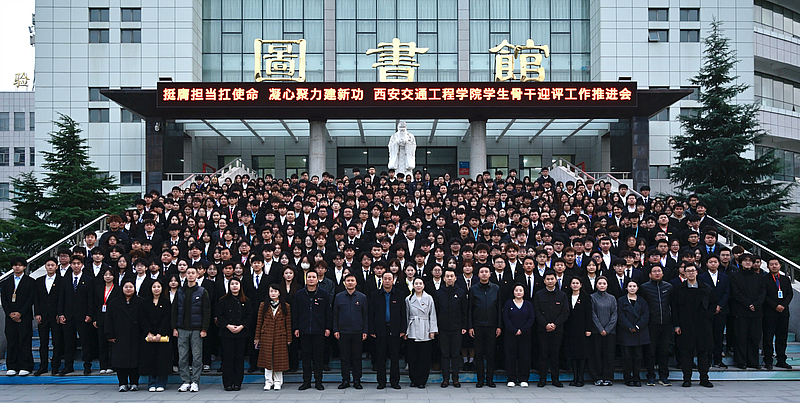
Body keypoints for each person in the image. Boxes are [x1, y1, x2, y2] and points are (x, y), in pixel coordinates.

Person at [671, 264, 716, 388]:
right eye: (688, 271)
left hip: (703, 325)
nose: (691, 273)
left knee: (703, 353)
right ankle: (687, 379)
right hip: (685, 326)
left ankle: (704, 378)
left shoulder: (706, 288)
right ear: (684, 273)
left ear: (697, 272)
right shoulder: (679, 289)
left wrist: (708, 316)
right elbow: (675, 309)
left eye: (693, 271)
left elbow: (713, 304)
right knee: (686, 353)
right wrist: (676, 325)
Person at [172, 266, 211, 393]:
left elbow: (206, 311)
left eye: (193, 273)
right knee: (182, 357)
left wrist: (204, 328)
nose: (190, 275)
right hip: (182, 328)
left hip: (196, 329)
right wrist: (174, 327)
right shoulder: (180, 291)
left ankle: (195, 381)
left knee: (197, 356)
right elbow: (174, 310)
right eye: (188, 273)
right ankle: (185, 381)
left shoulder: (202, 291)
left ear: (197, 275)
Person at [293, 270, 333, 390]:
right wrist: (296, 327)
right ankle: (306, 381)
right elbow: (295, 312)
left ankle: (318, 381)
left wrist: (327, 327)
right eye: (309, 277)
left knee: (318, 358)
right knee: (306, 358)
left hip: (319, 330)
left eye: (313, 277)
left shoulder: (324, 294)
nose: (311, 279)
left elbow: (328, 312)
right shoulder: (299, 294)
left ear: (317, 279)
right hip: (304, 330)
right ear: (306, 279)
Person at [57, 255, 96, 375]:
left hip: (83, 316)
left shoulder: (89, 280)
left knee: (85, 342)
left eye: (78, 263)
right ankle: (68, 366)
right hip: (68, 316)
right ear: (70, 265)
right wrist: (61, 313)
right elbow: (61, 298)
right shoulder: (65, 280)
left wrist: (90, 314)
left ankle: (87, 366)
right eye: (73, 263)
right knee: (69, 342)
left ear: (82, 265)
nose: (76, 266)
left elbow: (91, 299)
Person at [369, 271, 407, 390]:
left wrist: (403, 329)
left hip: (395, 329)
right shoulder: (375, 294)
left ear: (393, 280)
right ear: (382, 280)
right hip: (380, 329)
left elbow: (403, 313)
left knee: (395, 357)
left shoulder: (399, 294)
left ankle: (395, 381)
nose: (387, 281)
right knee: (380, 357)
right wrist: (372, 329)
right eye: (385, 278)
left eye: (389, 279)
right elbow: (371, 313)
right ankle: (381, 382)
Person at [638, 265, 673, 386]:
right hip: (651, 324)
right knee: (650, 352)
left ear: (663, 273)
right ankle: (650, 376)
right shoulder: (644, 288)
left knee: (664, 351)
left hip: (666, 324)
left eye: (659, 271)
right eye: (654, 271)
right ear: (650, 274)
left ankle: (663, 376)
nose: (657, 273)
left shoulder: (668, 287)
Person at [729, 254, 766, 369]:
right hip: (740, 312)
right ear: (740, 262)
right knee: (741, 337)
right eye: (745, 260)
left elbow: (763, 292)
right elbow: (736, 293)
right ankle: (741, 361)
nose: (748, 262)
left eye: (750, 261)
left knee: (754, 337)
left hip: (756, 312)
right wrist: (748, 304)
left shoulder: (759, 277)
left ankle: (753, 362)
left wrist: (756, 304)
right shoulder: (735, 276)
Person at [534, 270, 569, 387]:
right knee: (543, 355)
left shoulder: (562, 295)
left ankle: (555, 379)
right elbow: (537, 311)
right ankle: (542, 378)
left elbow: (565, 312)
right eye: (547, 279)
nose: (550, 281)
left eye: (552, 279)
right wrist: (545, 324)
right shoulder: (539, 294)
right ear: (544, 281)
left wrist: (555, 324)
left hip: (557, 330)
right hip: (542, 330)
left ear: (555, 280)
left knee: (555, 355)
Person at [105, 279, 142, 391]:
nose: (128, 289)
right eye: (126, 287)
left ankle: (134, 382)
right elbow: (108, 319)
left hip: (136, 335)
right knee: (120, 361)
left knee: (135, 361)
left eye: (131, 287)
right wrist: (109, 334)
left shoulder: (140, 302)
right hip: (119, 336)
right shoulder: (114, 302)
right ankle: (122, 383)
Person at [333, 274, 368, 389]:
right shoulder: (339, 297)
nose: (350, 282)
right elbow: (335, 315)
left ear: (356, 282)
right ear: (344, 283)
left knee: (357, 357)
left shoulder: (362, 297)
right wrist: (336, 329)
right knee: (345, 357)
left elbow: (365, 315)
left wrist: (365, 330)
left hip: (358, 331)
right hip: (343, 332)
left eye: (352, 280)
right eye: (348, 280)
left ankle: (357, 380)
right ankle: (345, 380)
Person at [468, 266, 502, 388]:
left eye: (486, 272)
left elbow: (499, 308)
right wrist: (470, 326)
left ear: (490, 274)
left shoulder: (496, 288)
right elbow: (470, 309)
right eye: (481, 272)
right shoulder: (473, 289)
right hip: (478, 326)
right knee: (479, 354)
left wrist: (499, 326)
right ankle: (480, 379)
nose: (484, 274)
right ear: (478, 274)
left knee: (491, 354)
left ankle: (490, 379)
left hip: (492, 326)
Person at [216, 277, 252, 391]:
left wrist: (242, 326)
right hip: (227, 333)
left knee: (239, 358)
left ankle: (237, 383)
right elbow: (219, 315)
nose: (234, 286)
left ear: (240, 286)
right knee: (228, 358)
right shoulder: (223, 300)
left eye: (237, 284)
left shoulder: (246, 301)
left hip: (241, 333)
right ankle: (227, 383)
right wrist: (228, 326)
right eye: (232, 284)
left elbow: (249, 315)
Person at [2, 256, 36, 376]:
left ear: (24, 267)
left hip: (24, 316)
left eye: (20, 265)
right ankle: (12, 366)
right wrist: (10, 313)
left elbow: (31, 299)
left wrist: (20, 313)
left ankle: (25, 366)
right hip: (10, 317)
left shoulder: (30, 281)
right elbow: (4, 300)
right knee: (12, 341)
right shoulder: (6, 282)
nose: (17, 267)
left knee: (24, 341)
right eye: (15, 265)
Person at [434, 268, 468, 388]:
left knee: (455, 354)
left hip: (457, 328)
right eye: (447, 276)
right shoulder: (439, 293)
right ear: (444, 278)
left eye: (451, 276)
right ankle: (445, 379)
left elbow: (464, 310)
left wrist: (464, 326)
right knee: (444, 354)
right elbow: (436, 311)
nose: (449, 278)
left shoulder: (461, 292)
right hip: (443, 328)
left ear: (455, 278)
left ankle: (455, 378)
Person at [255, 284, 292, 390]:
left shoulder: (285, 306)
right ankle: (268, 381)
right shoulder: (263, 305)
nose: (273, 293)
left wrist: (289, 338)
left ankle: (278, 382)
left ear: (279, 293)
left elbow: (288, 323)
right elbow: (259, 322)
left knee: (278, 359)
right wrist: (257, 337)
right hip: (266, 335)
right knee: (267, 359)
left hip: (280, 335)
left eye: (275, 291)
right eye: (271, 291)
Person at [405, 277, 439, 388]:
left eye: (420, 283)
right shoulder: (408, 299)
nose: (418, 285)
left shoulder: (429, 298)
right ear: (413, 285)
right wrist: (405, 331)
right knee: (412, 357)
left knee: (424, 357)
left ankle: (422, 380)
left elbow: (432, 315)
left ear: (424, 285)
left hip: (425, 328)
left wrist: (433, 330)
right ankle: (413, 379)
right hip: (412, 328)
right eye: (416, 283)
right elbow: (406, 315)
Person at [698, 255, 731, 368]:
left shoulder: (724, 277)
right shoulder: (701, 277)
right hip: (707, 311)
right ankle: (707, 360)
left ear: (718, 263)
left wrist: (720, 305)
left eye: (715, 262)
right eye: (710, 262)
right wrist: (711, 307)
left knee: (719, 336)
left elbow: (727, 293)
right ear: (706, 264)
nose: (713, 264)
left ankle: (718, 360)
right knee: (707, 336)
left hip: (721, 311)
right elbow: (701, 294)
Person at [139, 280, 172, 392]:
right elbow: (143, 318)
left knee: (162, 360)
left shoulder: (166, 302)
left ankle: (161, 382)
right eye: (154, 287)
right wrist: (148, 332)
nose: (156, 289)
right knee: (150, 359)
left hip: (162, 336)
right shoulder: (145, 302)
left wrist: (160, 333)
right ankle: (151, 383)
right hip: (149, 337)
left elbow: (167, 319)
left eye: (158, 286)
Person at [34, 257, 64, 376]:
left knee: (57, 342)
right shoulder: (39, 281)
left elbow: (62, 298)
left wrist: (60, 313)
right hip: (43, 315)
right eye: (48, 265)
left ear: (56, 266)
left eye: (52, 265)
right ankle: (43, 366)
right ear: (45, 267)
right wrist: (37, 313)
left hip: (55, 315)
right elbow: (36, 299)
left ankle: (55, 366)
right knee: (43, 342)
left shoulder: (62, 280)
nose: (50, 267)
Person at [762, 257, 793, 369]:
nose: (774, 266)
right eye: (771, 264)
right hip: (769, 312)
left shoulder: (785, 279)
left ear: (780, 265)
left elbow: (790, 294)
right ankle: (768, 360)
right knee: (768, 338)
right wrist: (775, 306)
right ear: (768, 266)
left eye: (776, 264)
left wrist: (783, 305)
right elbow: (764, 295)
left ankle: (781, 359)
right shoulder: (764, 279)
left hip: (783, 313)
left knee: (782, 338)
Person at [616, 280, 649, 387]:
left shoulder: (642, 301)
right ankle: (628, 378)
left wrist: (637, 326)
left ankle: (636, 378)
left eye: (634, 286)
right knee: (627, 357)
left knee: (638, 356)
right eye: (630, 286)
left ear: (638, 288)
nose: (632, 288)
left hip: (639, 332)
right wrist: (629, 327)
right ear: (626, 288)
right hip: (626, 332)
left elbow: (645, 315)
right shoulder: (621, 300)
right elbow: (620, 316)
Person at [502, 283, 535, 388]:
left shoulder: (528, 304)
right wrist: (514, 330)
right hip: (510, 334)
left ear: (524, 292)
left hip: (525, 334)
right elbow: (506, 318)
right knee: (510, 356)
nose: (518, 292)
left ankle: (523, 378)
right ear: (513, 292)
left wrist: (522, 330)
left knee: (524, 356)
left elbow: (531, 318)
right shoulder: (508, 304)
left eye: (521, 290)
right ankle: (511, 378)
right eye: (516, 290)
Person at [563, 277, 593, 387]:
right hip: (570, 329)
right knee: (572, 354)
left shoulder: (586, 297)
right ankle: (575, 377)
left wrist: (588, 329)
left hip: (582, 329)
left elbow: (588, 314)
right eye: (573, 283)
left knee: (581, 354)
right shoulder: (566, 296)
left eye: (577, 283)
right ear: (570, 285)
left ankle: (581, 378)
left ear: (581, 285)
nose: (575, 285)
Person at [93, 267, 121, 375]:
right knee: (102, 343)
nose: (108, 277)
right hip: (101, 318)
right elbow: (95, 304)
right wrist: (95, 318)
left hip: (113, 319)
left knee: (112, 344)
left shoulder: (118, 289)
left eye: (110, 274)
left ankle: (111, 365)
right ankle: (103, 365)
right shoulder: (99, 288)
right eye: (106, 275)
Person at [590, 277, 617, 386]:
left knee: (609, 355)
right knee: (596, 354)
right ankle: (597, 377)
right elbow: (592, 314)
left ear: (607, 285)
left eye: (604, 283)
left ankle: (608, 377)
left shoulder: (612, 298)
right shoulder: (592, 297)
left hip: (610, 332)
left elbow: (614, 314)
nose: (602, 285)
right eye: (600, 283)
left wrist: (608, 329)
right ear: (596, 285)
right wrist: (600, 329)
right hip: (597, 331)